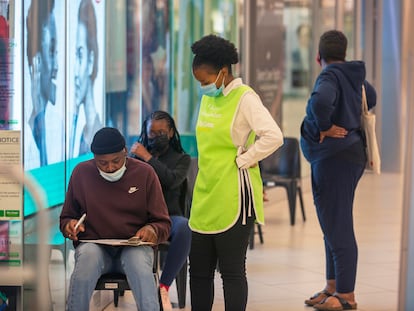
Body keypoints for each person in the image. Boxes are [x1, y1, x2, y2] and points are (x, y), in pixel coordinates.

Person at [189, 34, 284, 311]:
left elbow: (273, 136)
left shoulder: (246, 98)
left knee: (231, 271)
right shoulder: (209, 99)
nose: (203, 87)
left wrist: (247, 158)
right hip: (205, 193)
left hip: (234, 195)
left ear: (223, 72)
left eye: (206, 80)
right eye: (199, 82)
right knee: (199, 272)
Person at [300, 30, 376, 311]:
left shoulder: (329, 76)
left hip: (335, 160)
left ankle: (346, 294)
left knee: (339, 225)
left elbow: (321, 102)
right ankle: (332, 286)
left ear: (318, 56)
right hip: (348, 158)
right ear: (343, 53)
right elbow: (373, 95)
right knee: (331, 224)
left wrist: (325, 127)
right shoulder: (353, 75)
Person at [60, 127, 171, 311]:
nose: (110, 168)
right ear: (93, 157)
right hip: (95, 247)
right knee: (86, 260)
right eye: (102, 163)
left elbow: (164, 223)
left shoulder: (145, 173)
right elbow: (66, 217)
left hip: (134, 246)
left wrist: (152, 230)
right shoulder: (81, 173)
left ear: (125, 152)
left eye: (116, 161)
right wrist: (69, 226)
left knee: (139, 265)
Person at [130, 110, 192, 311]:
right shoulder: (135, 157)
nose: (156, 137)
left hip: (169, 217)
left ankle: (163, 286)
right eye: (152, 133)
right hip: (139, 217)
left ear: (171, 132)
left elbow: (172, 180)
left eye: (162, 133)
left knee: (185, 227)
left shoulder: (182, 159)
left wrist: (148, 157)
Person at [26, 0, 58, 166]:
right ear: (36, 60)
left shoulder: (54, 126)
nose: (57, 67)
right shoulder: (24, 134)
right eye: (52, 52)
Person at [70, 0, 102, 158]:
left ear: (90, 61)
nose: (75, 72)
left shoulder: (96, 132)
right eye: (74, 57)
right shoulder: (79, 132)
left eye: (80, 55)